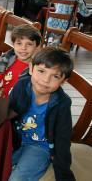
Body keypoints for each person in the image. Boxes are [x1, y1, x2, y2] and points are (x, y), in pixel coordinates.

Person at [9, 46, 75, 180]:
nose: (45, 80)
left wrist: (63, 174)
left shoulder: (62, 103)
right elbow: (8, 114)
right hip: (18, 139)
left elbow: (63, 139)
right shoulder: (21, 86)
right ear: (31, 68)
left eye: (55, 76)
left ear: (63, 81)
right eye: (41, 71)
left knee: (17, 178)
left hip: (40, 147)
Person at [0, 24, 42, 99]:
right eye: (19, 43)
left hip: (12, 105)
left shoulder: (35, 70)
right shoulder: (6, 59)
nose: (23, 48)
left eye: (29, 44)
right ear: (13, 44)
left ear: (37, 47)